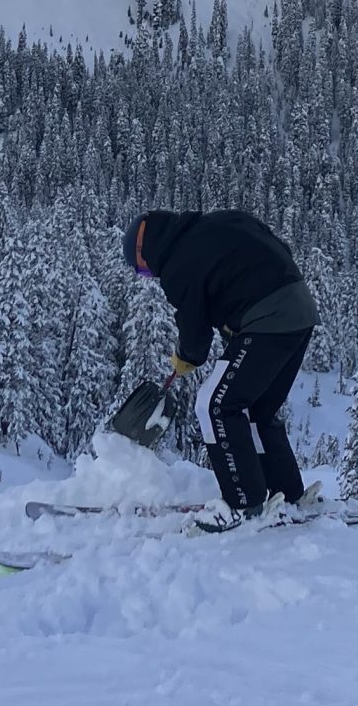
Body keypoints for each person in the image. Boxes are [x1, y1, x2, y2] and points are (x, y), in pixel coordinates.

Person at [124, 209, 319, 517]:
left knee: (214, 405)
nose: (152, 275)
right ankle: (288, 494)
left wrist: (185, 357)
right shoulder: (217, 222)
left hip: (268, 320)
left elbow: (195, 333)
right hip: (301, 311)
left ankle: (243, 504)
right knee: (258, 411)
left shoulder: (176, 264)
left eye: (144, 271)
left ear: (145, 249)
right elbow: (277, 249)